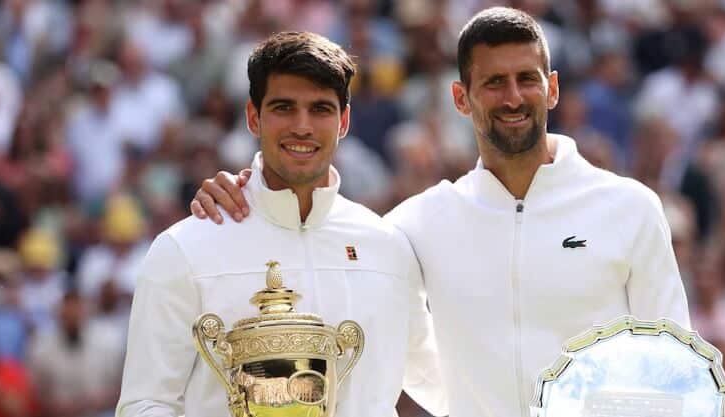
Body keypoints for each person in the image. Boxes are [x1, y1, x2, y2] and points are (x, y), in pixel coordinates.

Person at [192, 8, 691, 417]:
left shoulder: (630, 208)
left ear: (552, 88)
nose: (513, 97)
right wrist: (246, 195)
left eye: (526, 79)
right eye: (494, 82)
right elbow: (313, 239)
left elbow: (676, 367)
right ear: (461, 97)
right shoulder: (417, 224)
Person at [116, 31, 447, 417]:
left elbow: (445, 386)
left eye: (320, 109)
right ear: (253, 116)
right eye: (284, 107)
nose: (302, 127)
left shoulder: (388, 247)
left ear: (344, 121)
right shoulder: (185, 248)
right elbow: (145, 403)